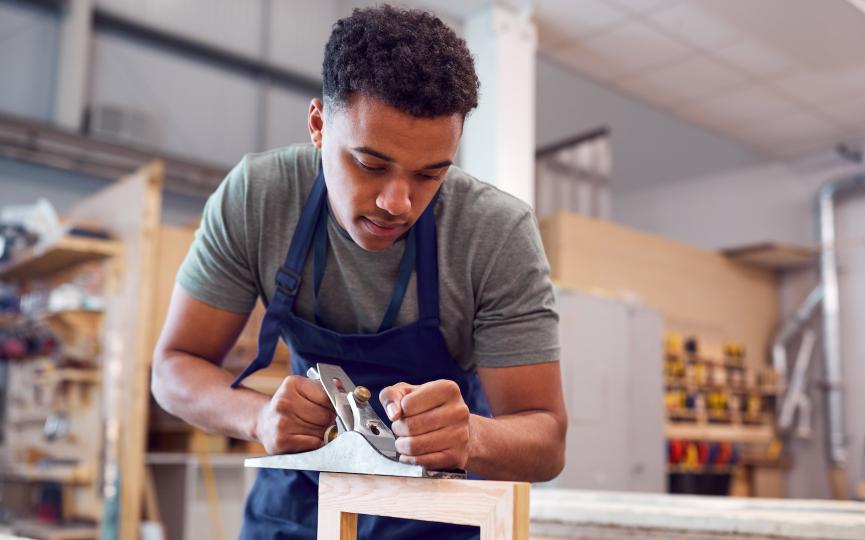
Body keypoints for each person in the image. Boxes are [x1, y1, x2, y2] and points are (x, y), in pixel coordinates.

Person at [151, 5, 566, 539]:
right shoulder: (258, 197)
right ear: (319, 124)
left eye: (429, 174)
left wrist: (472, 438)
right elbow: (172, 368)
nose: (398, 202)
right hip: (297, 509)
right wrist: (256, 419)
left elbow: (547, 440)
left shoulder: (495, 234)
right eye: (370, 165)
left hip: (438, 514)